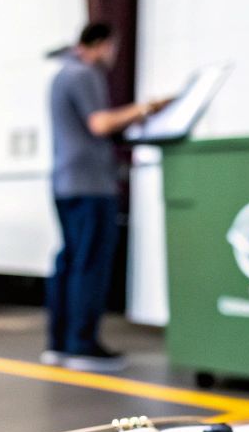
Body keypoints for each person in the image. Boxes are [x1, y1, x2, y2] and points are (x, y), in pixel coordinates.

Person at [43, 22, 168, 371]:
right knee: (90, 263)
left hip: (66, 182)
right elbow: (99, 124)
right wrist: (145, 109)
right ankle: (82, 344)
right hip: (89, 185)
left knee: (70, 261)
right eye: (112, 47)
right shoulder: (84, 74)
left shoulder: (62, 74)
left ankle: (61, 343)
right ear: (99, 44)